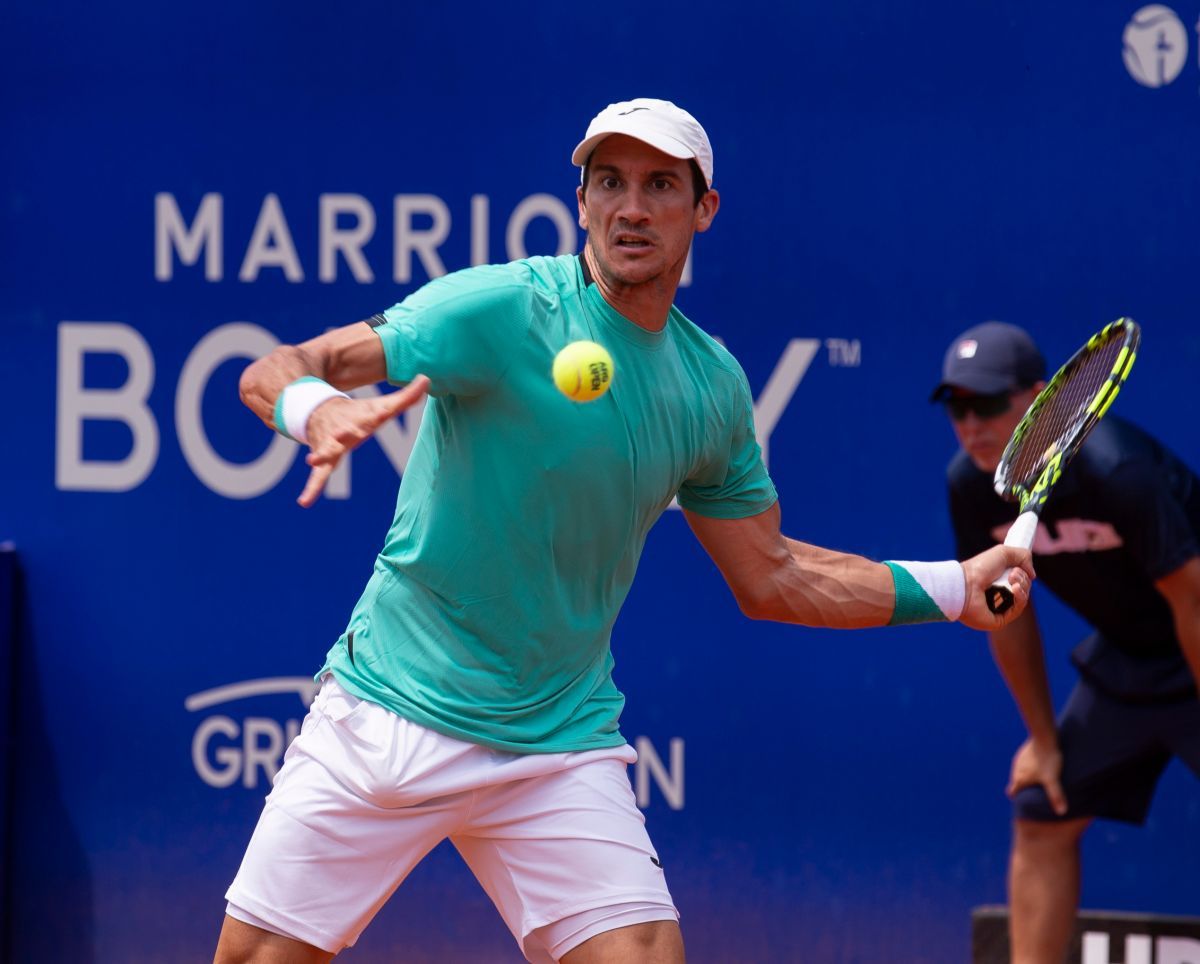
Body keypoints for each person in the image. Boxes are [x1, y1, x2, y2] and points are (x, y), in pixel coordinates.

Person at [215, 98, 1033, 964]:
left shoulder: (710, 386)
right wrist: (318, 412)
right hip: (388, 709)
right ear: (581, 201)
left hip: (556, 743)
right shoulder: (498, 309)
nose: (631, 208)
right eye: (609, 182)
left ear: (703, 209)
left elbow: (774, 575)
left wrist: (954, 590)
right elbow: (279, 368)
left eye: (658, 186)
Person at [933, 321, 1200, 964]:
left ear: (1040, 399)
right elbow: (1008, 614)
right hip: (1130, 663)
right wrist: (1044, 741)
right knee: (1040, 809)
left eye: (988, 404)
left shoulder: (1118, 468)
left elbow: (1192, 599)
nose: (970, 424)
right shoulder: (973, 486)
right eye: (957, 408)